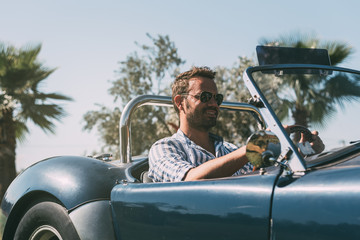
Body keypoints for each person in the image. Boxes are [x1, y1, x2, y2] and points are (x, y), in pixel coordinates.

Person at [148, 66, 324, 182]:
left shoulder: (229, 149)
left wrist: (305, 151)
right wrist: (254, 147)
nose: (213, 104)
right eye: (205, 97)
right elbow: (189, 181)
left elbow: (266, 174)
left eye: (217, 98)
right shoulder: (165, 148)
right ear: (180, 102)